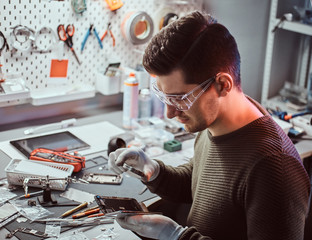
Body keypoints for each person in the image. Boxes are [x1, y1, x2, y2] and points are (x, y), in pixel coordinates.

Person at [109, 10, 310, 240]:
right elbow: (201, 184)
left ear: (223, 85)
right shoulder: (213, 122)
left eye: (181, 98)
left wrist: (178, 237)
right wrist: (155, 172)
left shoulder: (274, 168)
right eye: (166, 98)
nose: (171, 112)